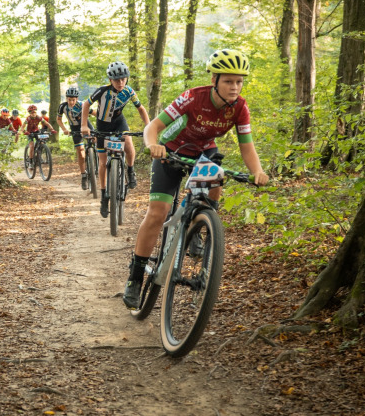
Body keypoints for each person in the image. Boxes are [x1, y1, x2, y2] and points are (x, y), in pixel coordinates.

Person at [122, 49, 270, 309]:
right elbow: (153, 127)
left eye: (239, 81)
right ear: (214, 79)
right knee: (158, 213)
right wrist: (153, 145)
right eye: (228, 81)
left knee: (216, 177)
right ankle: (135, 277)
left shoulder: (240, 107)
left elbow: (247, 145)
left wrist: (257, 171)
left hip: (204, 153)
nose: (234, 87)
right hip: (171, 150)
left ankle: (201, 224)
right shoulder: (193, 97)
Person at [81, 61, 150, 218]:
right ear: (110, 80)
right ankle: (104, 197)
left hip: (119, 122)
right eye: (117, 80)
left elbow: (141, 109)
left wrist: (148, 127)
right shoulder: (102, 91)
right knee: (103, 162)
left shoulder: (129, 91)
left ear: (127, 79)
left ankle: (131, 170)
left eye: (123, 79)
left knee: (128, 141)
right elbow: (86, 105)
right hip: (102, 125)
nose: (120, 82)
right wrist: (84, 126)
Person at [57, 86, 96, 190]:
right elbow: (58, 119)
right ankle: (84, 175)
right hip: (74, 128)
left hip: (86, 125)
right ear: (66, 98)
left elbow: (93, 112)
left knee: (96, 139)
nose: (71, 102)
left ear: (77, 99)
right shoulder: (62, 107)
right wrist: (64, 129)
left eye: (73, 100)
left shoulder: (82, 105)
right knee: (80, 152)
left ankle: (96, 157)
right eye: (69, 100)